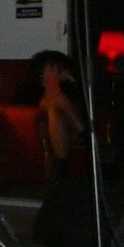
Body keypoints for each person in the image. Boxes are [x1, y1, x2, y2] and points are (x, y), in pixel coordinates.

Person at [21, 49, 85, 179]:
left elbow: (84, 107)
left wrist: (72, 81)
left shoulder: (70, 88)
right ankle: (86, 137)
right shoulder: (31, 90)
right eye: (52, 69)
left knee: (57, 101)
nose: (56, 72)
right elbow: (25, 107)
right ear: (41, 73)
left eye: (59, 69)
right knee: (54, 111)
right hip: (53, 129)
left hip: (74, 128)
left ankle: (61, 169)